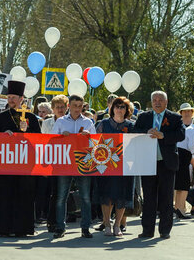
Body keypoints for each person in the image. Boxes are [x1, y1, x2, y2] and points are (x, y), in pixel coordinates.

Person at [0, 80, 41, 237]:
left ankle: (22, 228)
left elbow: (38, 141)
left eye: (14, 97)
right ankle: (1, 228)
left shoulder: (31, 117)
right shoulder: (0, 118)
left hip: (24, 165)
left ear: (21, 99)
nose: (11, 100)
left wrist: (26, 132)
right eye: (9, 97)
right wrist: (2, 136)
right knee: (4, 195)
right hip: (5, 165)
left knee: (23, 196)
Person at [133, 91, 185, 239]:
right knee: (149, 197)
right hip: (147, 162)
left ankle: (165, 230)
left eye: (160, 100)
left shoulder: (174, 118)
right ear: (151, 102)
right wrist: (145, 132)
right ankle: (147, 230)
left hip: (166, 163)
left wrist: (164, 136)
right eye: (155, 100)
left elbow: (181, 135)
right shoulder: (143, 117)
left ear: (166, 102)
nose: (157, 102)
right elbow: (134, 131)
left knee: (166, 198)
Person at [52, 94, 96, 239]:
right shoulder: (60, 121)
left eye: (80, 106)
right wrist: (61, 137)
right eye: (74, 106)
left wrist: (89, 136)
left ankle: (85, 228)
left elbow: (95, 143)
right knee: (61, 197)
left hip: (83, 163)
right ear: (68, 106)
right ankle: (60, 227)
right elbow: (51, 141)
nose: (77, 109)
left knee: (85, 197)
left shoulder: (89, 122)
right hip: (64, 163)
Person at [94, 96, 135, 237]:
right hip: (105, 165)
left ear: (127, 110)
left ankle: (118, 224)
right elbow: (94, 142)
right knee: (106, 195)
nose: (119, 109)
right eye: (116, 106)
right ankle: (107, 224)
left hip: (125, 166)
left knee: (121, 196)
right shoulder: (102, 124)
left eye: (122, 107)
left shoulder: (131, 126)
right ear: (112, 109)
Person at [39, 95, 68, 229]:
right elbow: (42, 142)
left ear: (67, 107)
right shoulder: (46, 123)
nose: (60, 109)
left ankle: (57, 220)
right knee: (52, 192)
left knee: (60, 193)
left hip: (66, 161)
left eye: (63, 107)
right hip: (50, 161)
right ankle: (50, 220)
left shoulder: (70, 122)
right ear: (53, 109)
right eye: (57, 107)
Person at [174, 104, 194, 219]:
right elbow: (191, 146)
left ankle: (178, 208)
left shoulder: (189, 129)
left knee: (179, 186)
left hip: (180, 155)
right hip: (184, 156)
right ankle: (181, 210)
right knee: (184, 186)